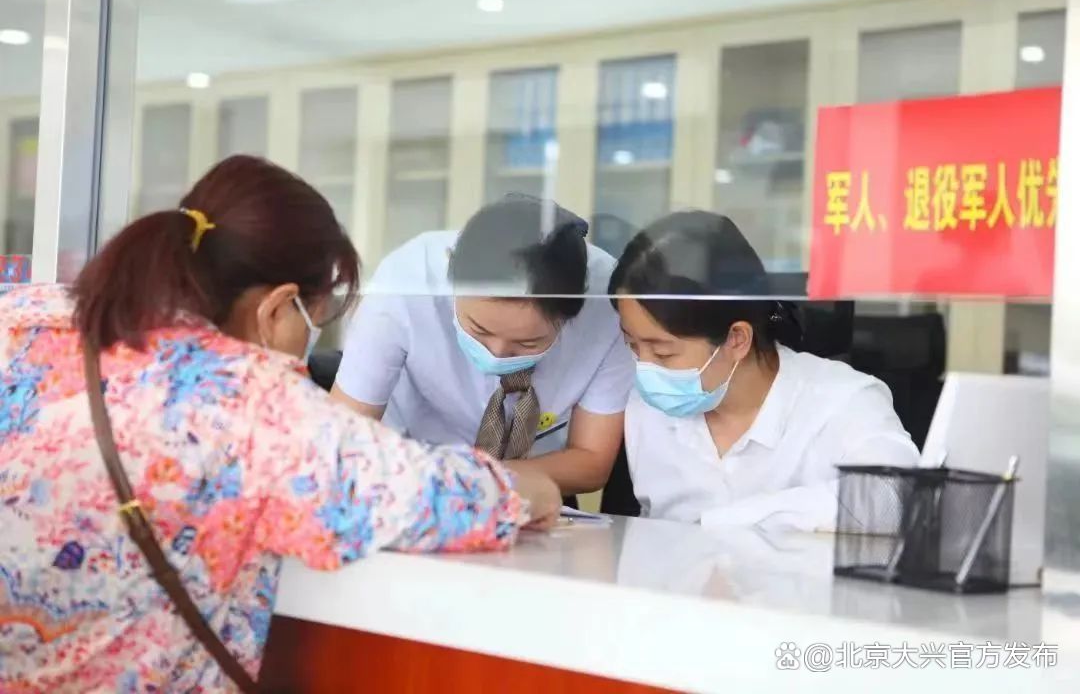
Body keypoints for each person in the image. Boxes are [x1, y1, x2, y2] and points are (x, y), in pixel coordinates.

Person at [0, 156, 560, 692]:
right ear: (277, 307)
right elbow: (430, 498)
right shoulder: (251, 401)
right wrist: (526, 488)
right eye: (315, 318)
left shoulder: (25, 319)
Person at [610, 210, 919, 531]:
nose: (645, 367)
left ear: (736, 339)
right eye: (632, 346)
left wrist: (723, 523)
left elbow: (895, 499)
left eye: (663, 352)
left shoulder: (843, 402)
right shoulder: (647, 408)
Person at [332, 195, 634, 496]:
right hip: (410, 476)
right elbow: (341, 439)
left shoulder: (609, 304)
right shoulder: (405, 283)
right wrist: (439, 482)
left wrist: (478, 481)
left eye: (527, 343)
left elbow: (591, 461)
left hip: (535, 480)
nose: (497, 352)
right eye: (479, 330)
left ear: (571, 316)